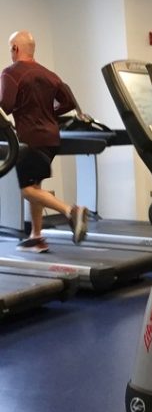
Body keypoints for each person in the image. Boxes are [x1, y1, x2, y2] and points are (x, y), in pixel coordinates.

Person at [0, 30, 88, 252]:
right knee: (35, 185)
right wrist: (47, 113)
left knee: (27, 190)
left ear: (15, 49)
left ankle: (71, 211)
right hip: (51, 137)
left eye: (11, 48)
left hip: (29, 139)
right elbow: (67, 102)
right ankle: (36, 236)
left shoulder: (10, 73)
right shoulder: (49, 74)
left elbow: (5, 106)